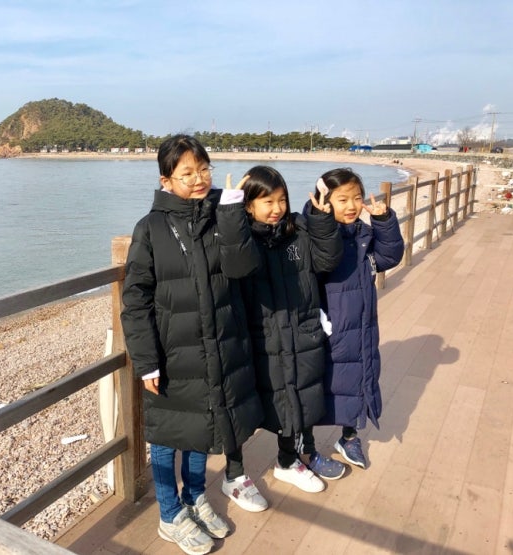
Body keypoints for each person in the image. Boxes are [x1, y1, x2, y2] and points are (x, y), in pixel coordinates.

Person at [121, 135, 266, 555]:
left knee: (204, 427)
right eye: (187, 174)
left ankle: (195, 497)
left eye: (203, 169)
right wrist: (146, 361)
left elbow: (242, 267)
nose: (199, 179)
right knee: (167, 436)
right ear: (166, 181)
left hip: (219, 346)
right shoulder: (150, 228)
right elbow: (135, 299)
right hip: (172, 354)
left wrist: (233, 213)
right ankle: (170, 514)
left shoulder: (223, 214)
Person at [228, 165, 345, 497]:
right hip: (259, 337)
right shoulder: (243, 239)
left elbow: (326, 261)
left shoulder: (298, 232)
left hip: (298, 332)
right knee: (243, 406)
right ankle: (234, 473)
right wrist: (230, 216)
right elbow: (235, 264)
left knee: (295, 398)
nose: (277, 208)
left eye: (281, 199)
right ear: (248, 205)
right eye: (267, 201)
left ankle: (288, 460)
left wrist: (321, 221)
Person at [313, 167, 404, 469]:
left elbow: (389, 257)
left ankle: (349, 436)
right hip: (327, 326)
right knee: (318, 383)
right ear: (325, 202)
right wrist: (319, 220)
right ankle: (305, 444)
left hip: (361, 325)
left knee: (357, 379)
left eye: (357, 198)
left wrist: (383, 221)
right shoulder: (316, 235)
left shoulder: (362, 234)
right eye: (342, 199)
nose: (352, 206)